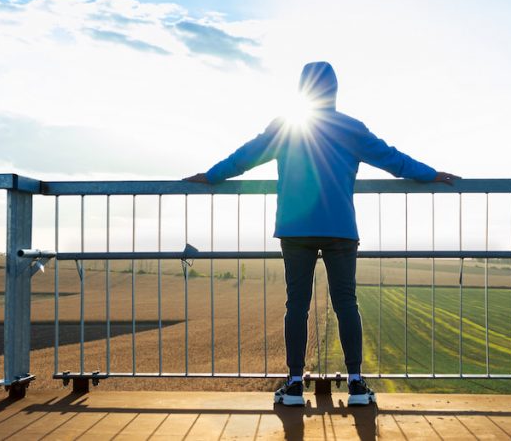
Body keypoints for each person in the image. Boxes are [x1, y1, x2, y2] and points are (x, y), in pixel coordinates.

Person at [184, 61, 458, 407]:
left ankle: (295, 384)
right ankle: (356, 384)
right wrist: (431, 174)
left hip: (296, 229)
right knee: (346, 304)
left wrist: (211, 175)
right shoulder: (351, 128)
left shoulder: (286, 126)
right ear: (334, 91)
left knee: (296, 306)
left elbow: (245, 157)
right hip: (340, 228)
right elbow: (393, 160)